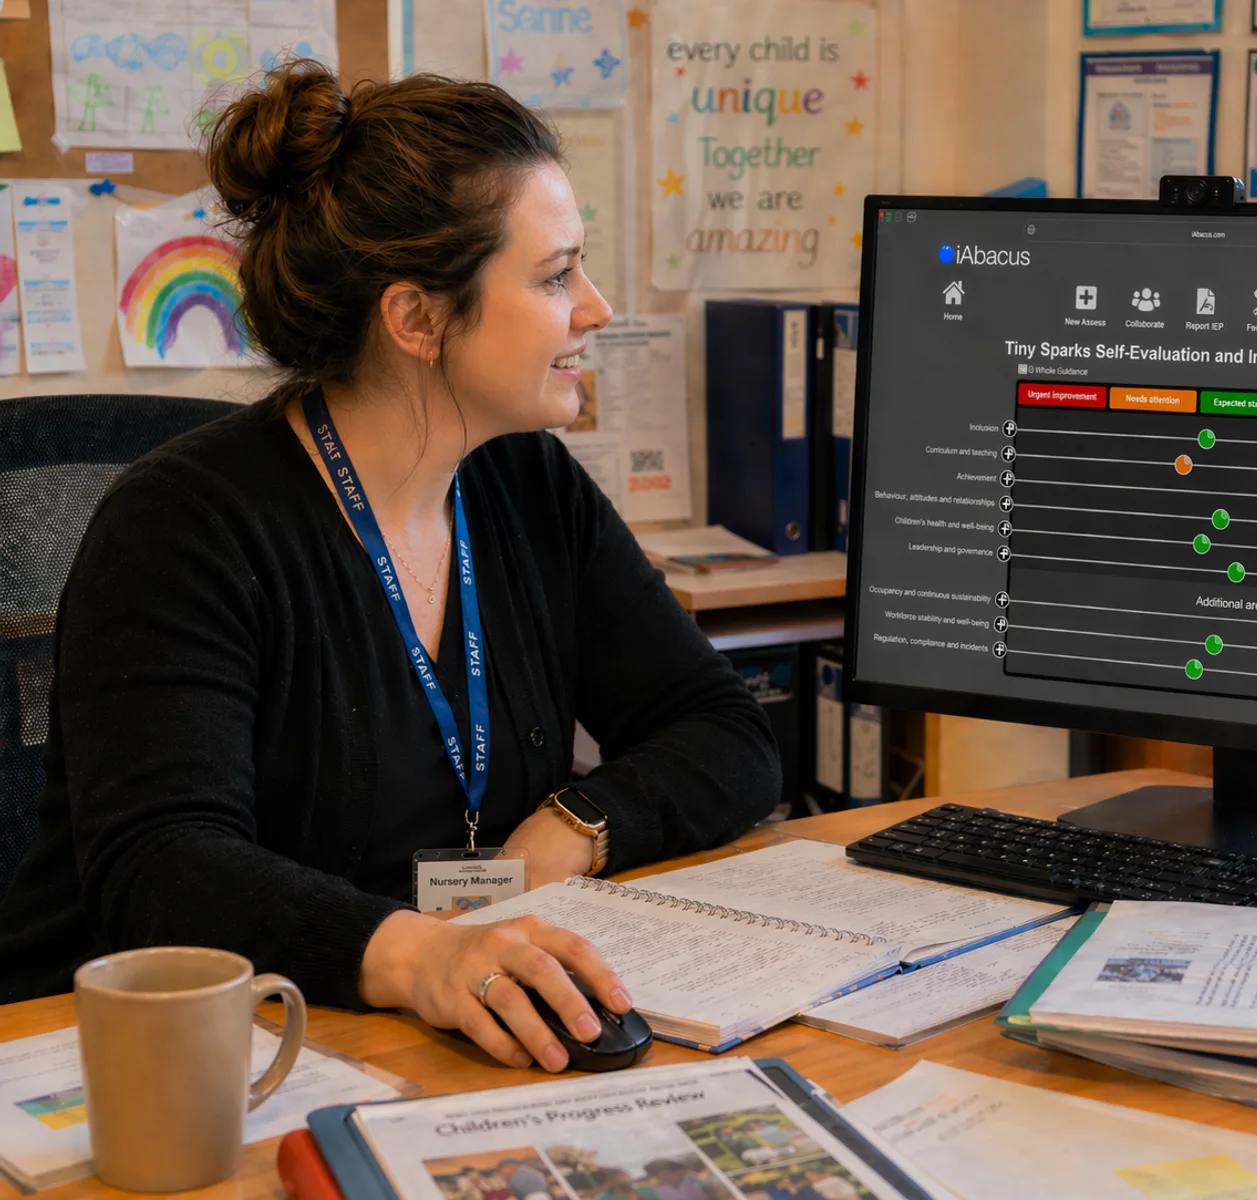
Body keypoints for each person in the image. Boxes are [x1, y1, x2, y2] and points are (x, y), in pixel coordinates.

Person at [0, 60, 780, 1075]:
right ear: (415, 320)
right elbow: (162, 869)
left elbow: (724, 731)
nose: (594, 309)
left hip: (437, 1032)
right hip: (159, 1061)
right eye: (554, 276)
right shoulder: (183, 525)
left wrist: (577, 824)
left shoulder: (526, 484)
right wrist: (420, 957)